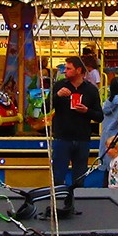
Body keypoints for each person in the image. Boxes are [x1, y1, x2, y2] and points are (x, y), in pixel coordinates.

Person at [47, 56, 102, 189]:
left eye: (68, 68)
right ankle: (58, 204)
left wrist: (87, 111)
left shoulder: (91, 90)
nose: (65, 71)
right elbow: (46, 108)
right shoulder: (60, 86)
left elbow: (100, 116)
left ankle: (75, 205)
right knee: (58, 176)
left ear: (78, 70)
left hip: (82, 139)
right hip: (62, 138)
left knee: (79, 178)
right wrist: (57, 96)